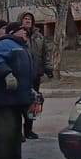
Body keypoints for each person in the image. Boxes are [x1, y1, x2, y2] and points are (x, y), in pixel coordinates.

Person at [0, 20, 35, 159]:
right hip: (3, 98)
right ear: (13, 32)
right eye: (21, 29)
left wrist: (30, 90)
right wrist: (7, 73)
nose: (25, 31)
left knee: (15, 131)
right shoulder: (5, 44)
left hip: (17, 98)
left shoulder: (22, 46)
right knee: (5, 132)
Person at [19, 12, 54, 140]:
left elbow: (46, 54)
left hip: (35, 74)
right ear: (21, 21)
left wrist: (48, 68)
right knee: (20, 103)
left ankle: (29, 130)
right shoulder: (18, 35)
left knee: (33, 103)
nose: (27, 21)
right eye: (25, 19)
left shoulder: (39, 36)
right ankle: (18, 132)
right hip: (22, 76)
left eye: (30, 19)